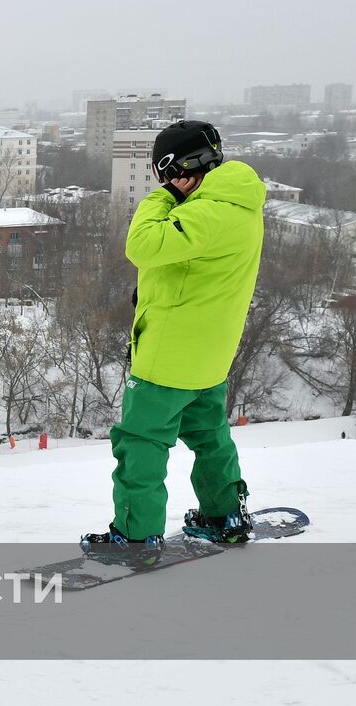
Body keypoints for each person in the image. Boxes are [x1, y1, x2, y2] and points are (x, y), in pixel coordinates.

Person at [81, 120, 266, 561]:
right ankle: (224, 517)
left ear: (179, 169)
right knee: (210, 437)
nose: (165, 185)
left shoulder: (204, 212)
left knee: (141, 444)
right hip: (211, 356)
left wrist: (160, 197)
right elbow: (191, 271)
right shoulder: (240, 204)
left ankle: (138, 537)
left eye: (165, 175)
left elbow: (141, 245)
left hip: (168, 359)